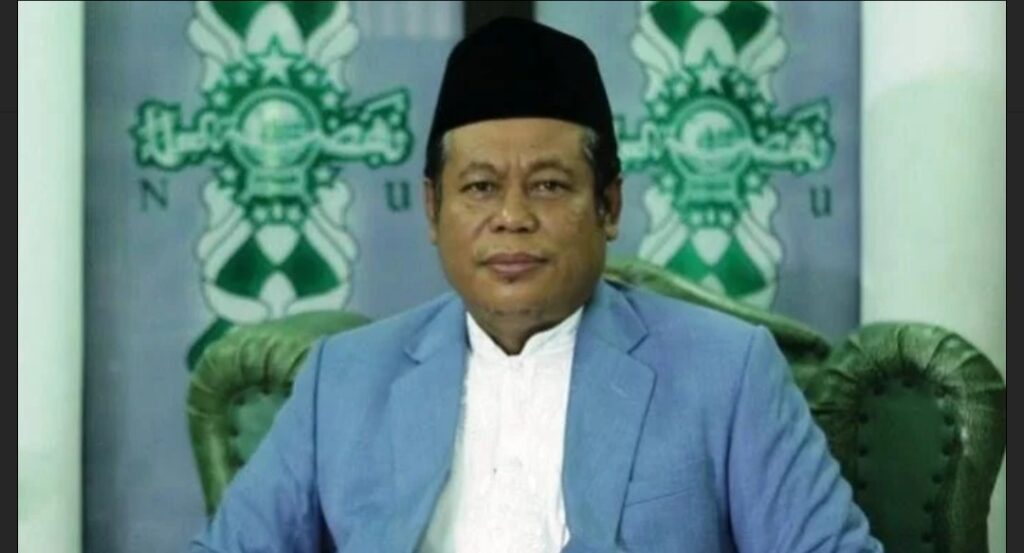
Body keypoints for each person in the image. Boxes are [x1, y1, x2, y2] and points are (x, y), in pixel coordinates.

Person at [191, 17, 881, 552]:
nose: (513, 217)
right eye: (480, 187)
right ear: (432, 209)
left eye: (549, 186)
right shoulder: (344, 380)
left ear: (609, 206)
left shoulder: (726, 373)